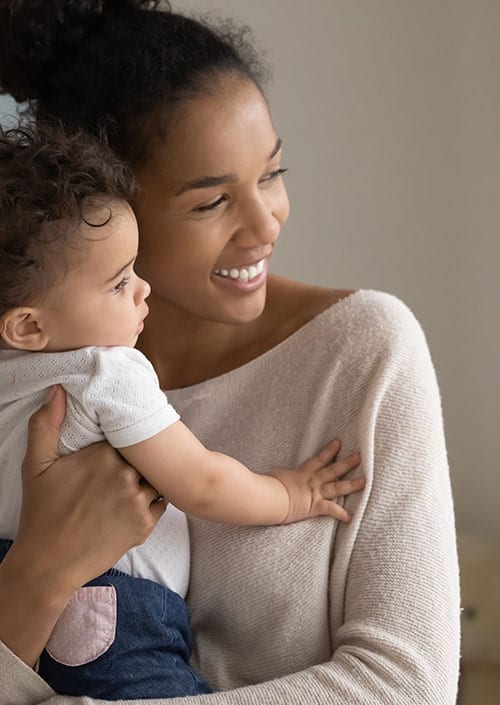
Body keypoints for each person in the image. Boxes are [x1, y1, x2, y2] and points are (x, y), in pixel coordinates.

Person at [0, 1, 460, 704]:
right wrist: (35, 574)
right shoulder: (43, 379)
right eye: (210, 201)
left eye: (272, 173)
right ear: (110, 211)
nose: (265, 222)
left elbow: (406, 684)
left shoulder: (364, 350)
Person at [0, 122, 364, 699]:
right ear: (28, 325)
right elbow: (201, 481)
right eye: (119, 284)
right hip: (112, 609)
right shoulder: (105, 371)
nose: (143, 292)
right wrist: (292, 494)